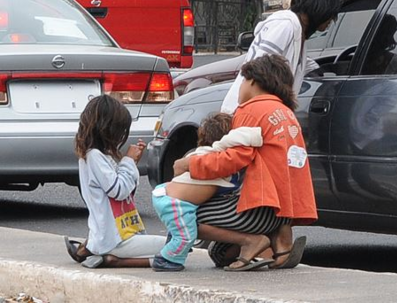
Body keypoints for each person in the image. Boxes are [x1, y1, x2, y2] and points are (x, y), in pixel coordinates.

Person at [173, 54, 318, 271]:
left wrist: (190, 165)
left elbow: (232, 159)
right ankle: (279, 241)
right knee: (219, 254)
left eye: (241, 81)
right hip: (283, 212)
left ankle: (254, 241)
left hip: (258, 209)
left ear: (252, 81)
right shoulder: (286, 113)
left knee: (182, 216)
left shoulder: (250, 111)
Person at [151, 113, 263, 272]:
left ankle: (173, 241)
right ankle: (165, 259)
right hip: (175, 203)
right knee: (185, 237)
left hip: (170, 196)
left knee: (180, 230)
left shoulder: (198, 153)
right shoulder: (214, 159)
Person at [64, 95, 165, 268]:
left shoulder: (100, 156)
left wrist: (130, 163)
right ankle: (115, 259)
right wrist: (128, 161)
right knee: (176, 246)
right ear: (108, 130)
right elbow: (118, 191)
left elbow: (125, 190)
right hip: (117, 239)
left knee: (175, 247)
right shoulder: (94, 156)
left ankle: (92, 249)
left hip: (118, 235)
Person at [221, 0, 344, 114]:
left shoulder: (296, 31)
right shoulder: (285, 26)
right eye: (332, 11)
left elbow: (289, 62)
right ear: (320, 6)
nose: (333, 19)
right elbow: (259, 70)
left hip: (258, 114)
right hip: (249, 114)